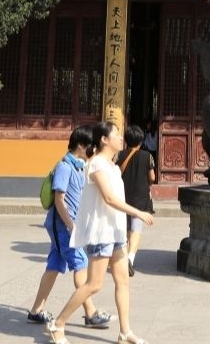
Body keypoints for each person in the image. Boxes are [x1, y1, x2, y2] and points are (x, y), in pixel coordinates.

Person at [46, 121, 154, 344]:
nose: (120, 138)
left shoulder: (113, 166)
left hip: (114, 232)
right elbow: (109, 198)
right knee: (94, 284)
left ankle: (125, 332)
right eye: (115, 134)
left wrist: (123, 229)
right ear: (104, 139)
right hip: (102, 232)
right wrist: (139, 213)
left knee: (123, 280)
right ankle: (58, 323)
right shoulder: (96, 164)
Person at [27, 125, 113, 329]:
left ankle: (36, 310)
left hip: (67, 226)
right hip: (63, 226)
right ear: (82, 146)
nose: (93, 150)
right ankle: (90, 312)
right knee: (81, 264)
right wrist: (71, 226)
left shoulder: (79, 166)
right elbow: (59, 200)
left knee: (54, 266)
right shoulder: (65, 167)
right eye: (91, 146)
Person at [117, 124, 155, 277]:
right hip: (141, 196)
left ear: (126, 139)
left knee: (125, 229)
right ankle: (130, 259)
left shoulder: (118, 155)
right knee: (136, 229)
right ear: (141, 140)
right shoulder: (147, 156)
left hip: (123, 195)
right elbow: (152, 177)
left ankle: (124, 256)